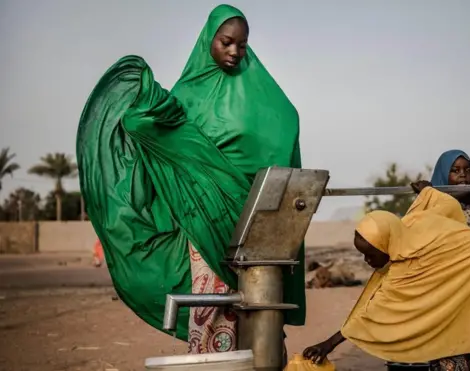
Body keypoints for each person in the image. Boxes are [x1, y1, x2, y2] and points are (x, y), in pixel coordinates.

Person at [77, 4, 304, 357]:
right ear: (207, 41)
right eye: (226, 43)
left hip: (259, 223)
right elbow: (159, 136)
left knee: (262, 308)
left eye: (242, 46)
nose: (234, 52)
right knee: (214, 308)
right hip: (203, 223)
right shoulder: (184, 97)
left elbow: (283, 131)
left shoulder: (264, 95)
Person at [303, 181, 470, 371]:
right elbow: (446, 204)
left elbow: (369, 317)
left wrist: (327, 345)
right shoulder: (411, 222)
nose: (366, 261)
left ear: (385, 244)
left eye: (370, 254)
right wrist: (427, 192)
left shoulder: (404, 271)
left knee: (454, 336)